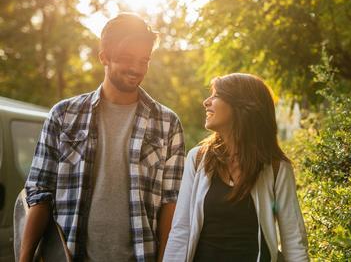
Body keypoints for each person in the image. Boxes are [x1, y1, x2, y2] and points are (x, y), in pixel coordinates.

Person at [19, 13, 185, 262]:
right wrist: (24, 258)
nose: (137, 68)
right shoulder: (63, 115)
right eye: (127, 59)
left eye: (144, 60)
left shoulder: (167, 123)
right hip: (72, 255)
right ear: (103, 57)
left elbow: (171, 205)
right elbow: (41, 193)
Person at [164, 73, 309, 262]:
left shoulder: (276, 168)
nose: (206, 102)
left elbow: (293, 239)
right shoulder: (197, 158)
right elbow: (181, 230)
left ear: (241, 105)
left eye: (216, 95)